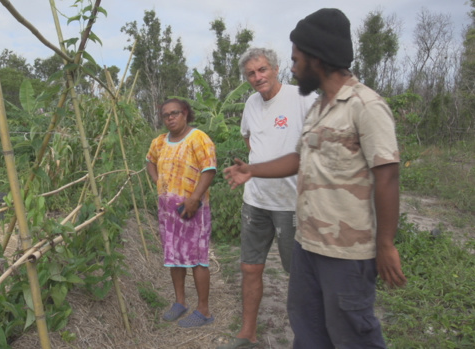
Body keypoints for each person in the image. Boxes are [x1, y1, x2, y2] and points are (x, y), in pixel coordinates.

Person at [224, 8, 407, 348]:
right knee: (308, 331)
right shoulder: (321, 107)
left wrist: (385, 243)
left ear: (317, 59)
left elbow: (388, 175)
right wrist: (251, 169)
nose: (292, 68)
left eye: (295, 60)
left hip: (346, 251)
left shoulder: (364, 105)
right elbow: (299, 158)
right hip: (308, 244)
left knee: (351, 333)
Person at [217, 47, 316, 349]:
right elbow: (249, 138)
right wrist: (254, 167)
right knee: (250, 267)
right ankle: (247, 333)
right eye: (251, 73)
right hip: (256, 200)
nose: (257, 77)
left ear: (276, 69)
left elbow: (314, 148)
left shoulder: (303, 98)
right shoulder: (251, 103)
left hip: (292, 202)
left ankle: (309, 337)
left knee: (298, 274)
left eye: (262, 70)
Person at [146, 98, 217, 328]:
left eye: (174, 113)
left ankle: (203, 311)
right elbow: (150, 162)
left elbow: (209, 169)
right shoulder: (159, 142)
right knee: (174, 258)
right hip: (168, 211)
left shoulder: (198, 138)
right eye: (166, 115)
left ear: (185, 113)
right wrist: (159, 183)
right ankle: (180, 303)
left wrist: (194, 198)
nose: (170, 118)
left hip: (192, 209)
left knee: (197, 259)